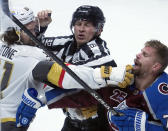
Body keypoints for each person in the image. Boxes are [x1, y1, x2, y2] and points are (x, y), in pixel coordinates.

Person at [16, 40, 167, 130]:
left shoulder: (162, 92)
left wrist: (146, 127)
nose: (137, 55)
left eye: (145, 55)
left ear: (156, 67)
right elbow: (83, 93)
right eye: (140, 52)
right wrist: (42, 100)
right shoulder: (122, 80)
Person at [37, 5, 118, 131]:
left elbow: (109, 67)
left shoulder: (97, 49)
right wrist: (41, 27)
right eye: (78, 23)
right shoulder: (67, 42)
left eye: (87, 25)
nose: (81, 29)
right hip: (72, 121)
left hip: (98, 124)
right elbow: (37, 47)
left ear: (99, 29)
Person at [0, 7, 51, 131]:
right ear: (17, 32)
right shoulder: (36, 55)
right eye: (31, 30)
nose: (35, 33)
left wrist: (40, 29)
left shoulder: (3, 44)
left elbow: (25, 45)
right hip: (11, 120)